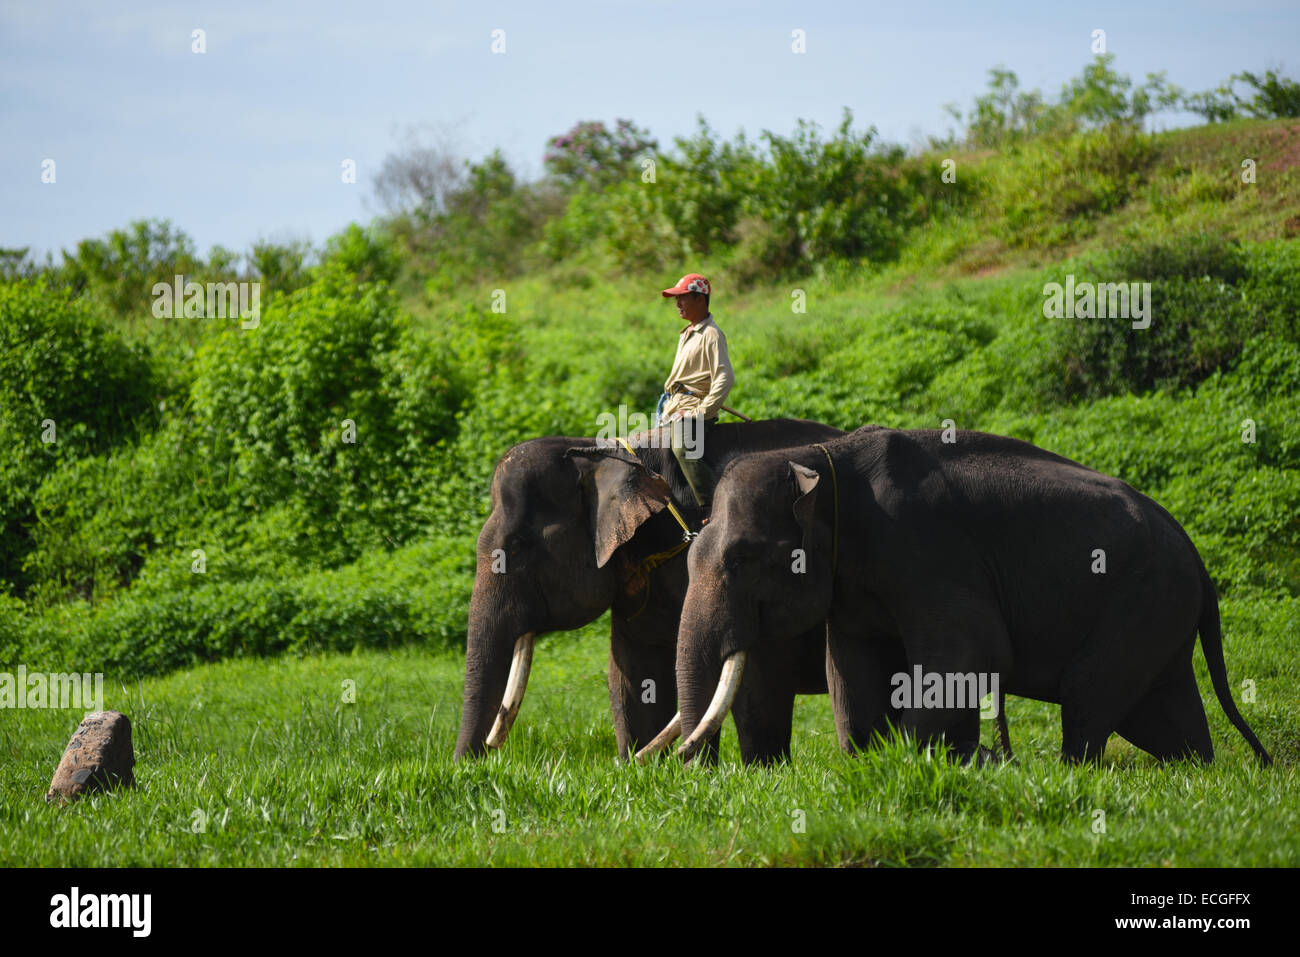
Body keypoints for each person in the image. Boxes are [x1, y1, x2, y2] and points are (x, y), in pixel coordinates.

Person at [656, 273, 734, 509]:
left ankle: (715, 506)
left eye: (683, 298)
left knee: (682, 446)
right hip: (674, 406)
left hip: (691, 409)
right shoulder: (687, 334)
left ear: (700, 299)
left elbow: (725, 376)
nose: (677, 304)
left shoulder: (711, 334)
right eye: (675, 299)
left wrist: (700, 412)